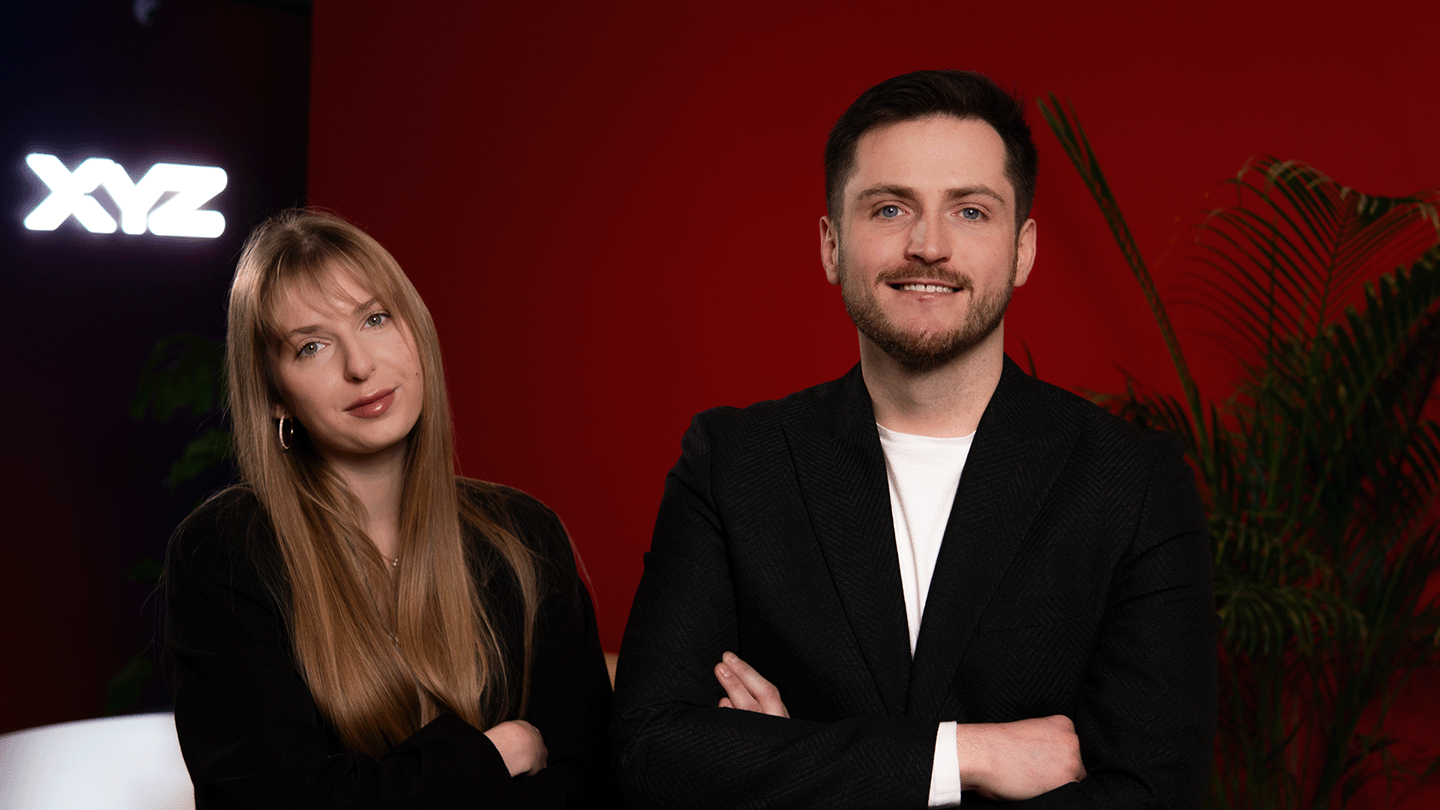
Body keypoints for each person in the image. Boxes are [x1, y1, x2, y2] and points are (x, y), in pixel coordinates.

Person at [612, 70, 1216, 808]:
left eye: (971, 211)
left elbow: (1153, 795)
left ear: (1023, 250)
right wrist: (966, 755)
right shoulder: (733, 464)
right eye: (891, 208)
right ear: (832, 246)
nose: (929, 245)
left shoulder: (1132, 481)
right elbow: (647, 752)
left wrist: (785, 769)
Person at [164, 209, 615, 807]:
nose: (360, 366)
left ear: (416, 330)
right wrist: (495, 753)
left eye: (375, 319)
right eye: (312, 347)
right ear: (275, 396)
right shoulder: (227, 551)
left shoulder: (524, 536)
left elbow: (591, 784)